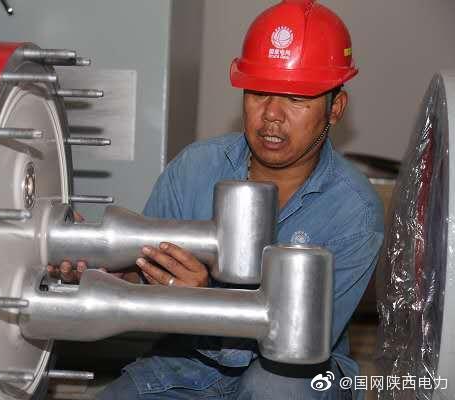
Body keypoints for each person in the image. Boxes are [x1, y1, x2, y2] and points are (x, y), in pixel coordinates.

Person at [53, 1, 383, 398]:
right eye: (258, 92)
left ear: (335, 109)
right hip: (187, 363)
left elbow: (299, 340)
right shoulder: (197, 167)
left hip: (297, 374)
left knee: (273, 386)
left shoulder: (355, 211)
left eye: (296, 98)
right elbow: (143, 269)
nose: (272, 114)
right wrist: (101, 269)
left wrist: (204, 301)